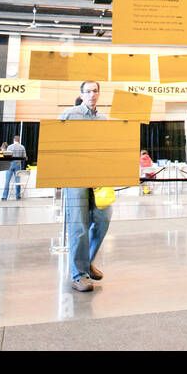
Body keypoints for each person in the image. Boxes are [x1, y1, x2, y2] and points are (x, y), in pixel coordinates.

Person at [59, 81, 112, 292]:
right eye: (88, 91)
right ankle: (78, 274)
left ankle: (86, 261)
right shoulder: (69, 114)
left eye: (95, 91)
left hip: (98, 177)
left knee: (103, 219)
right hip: (74, 176)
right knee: (78, 226)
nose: (92, 94)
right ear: (81, 94)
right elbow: (54, 142)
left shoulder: (102, 118)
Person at [3, 132, 26, 201]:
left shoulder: (9, 147)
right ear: (19, 140)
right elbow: (24, 157)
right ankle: (18, 195)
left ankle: (4, 196)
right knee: (17, 180)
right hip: (18, 164)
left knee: (7, 181)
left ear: (14, 140)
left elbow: (6, 156)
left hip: (9, 164)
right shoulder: (22, 147)